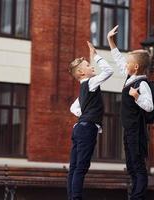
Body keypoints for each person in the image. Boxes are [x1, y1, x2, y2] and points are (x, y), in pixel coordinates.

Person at [107, 25, 153, 200]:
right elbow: (119, 60)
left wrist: (137, 97)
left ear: (135, 67)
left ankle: (137, 197)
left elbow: (149, 106)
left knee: (139, 167)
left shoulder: (142, 84)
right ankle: (135, 195)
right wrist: (111, 41)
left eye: (128, 63)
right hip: (128, 131)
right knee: (132, 166)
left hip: (136, 132)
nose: (124, 65)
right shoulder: (130, 78)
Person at [67, 41, 113, 200]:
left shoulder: (83, 89)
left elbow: (73, 108)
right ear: (81, 72)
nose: (92, 66)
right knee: (81, 168)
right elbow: (109, 71)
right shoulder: (91, 83)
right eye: (88, 65)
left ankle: (72, 197)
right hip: (87, 129)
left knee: (74, 167)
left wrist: (84, 116)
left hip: (79, 128)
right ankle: (76, 198)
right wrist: (96, 55)